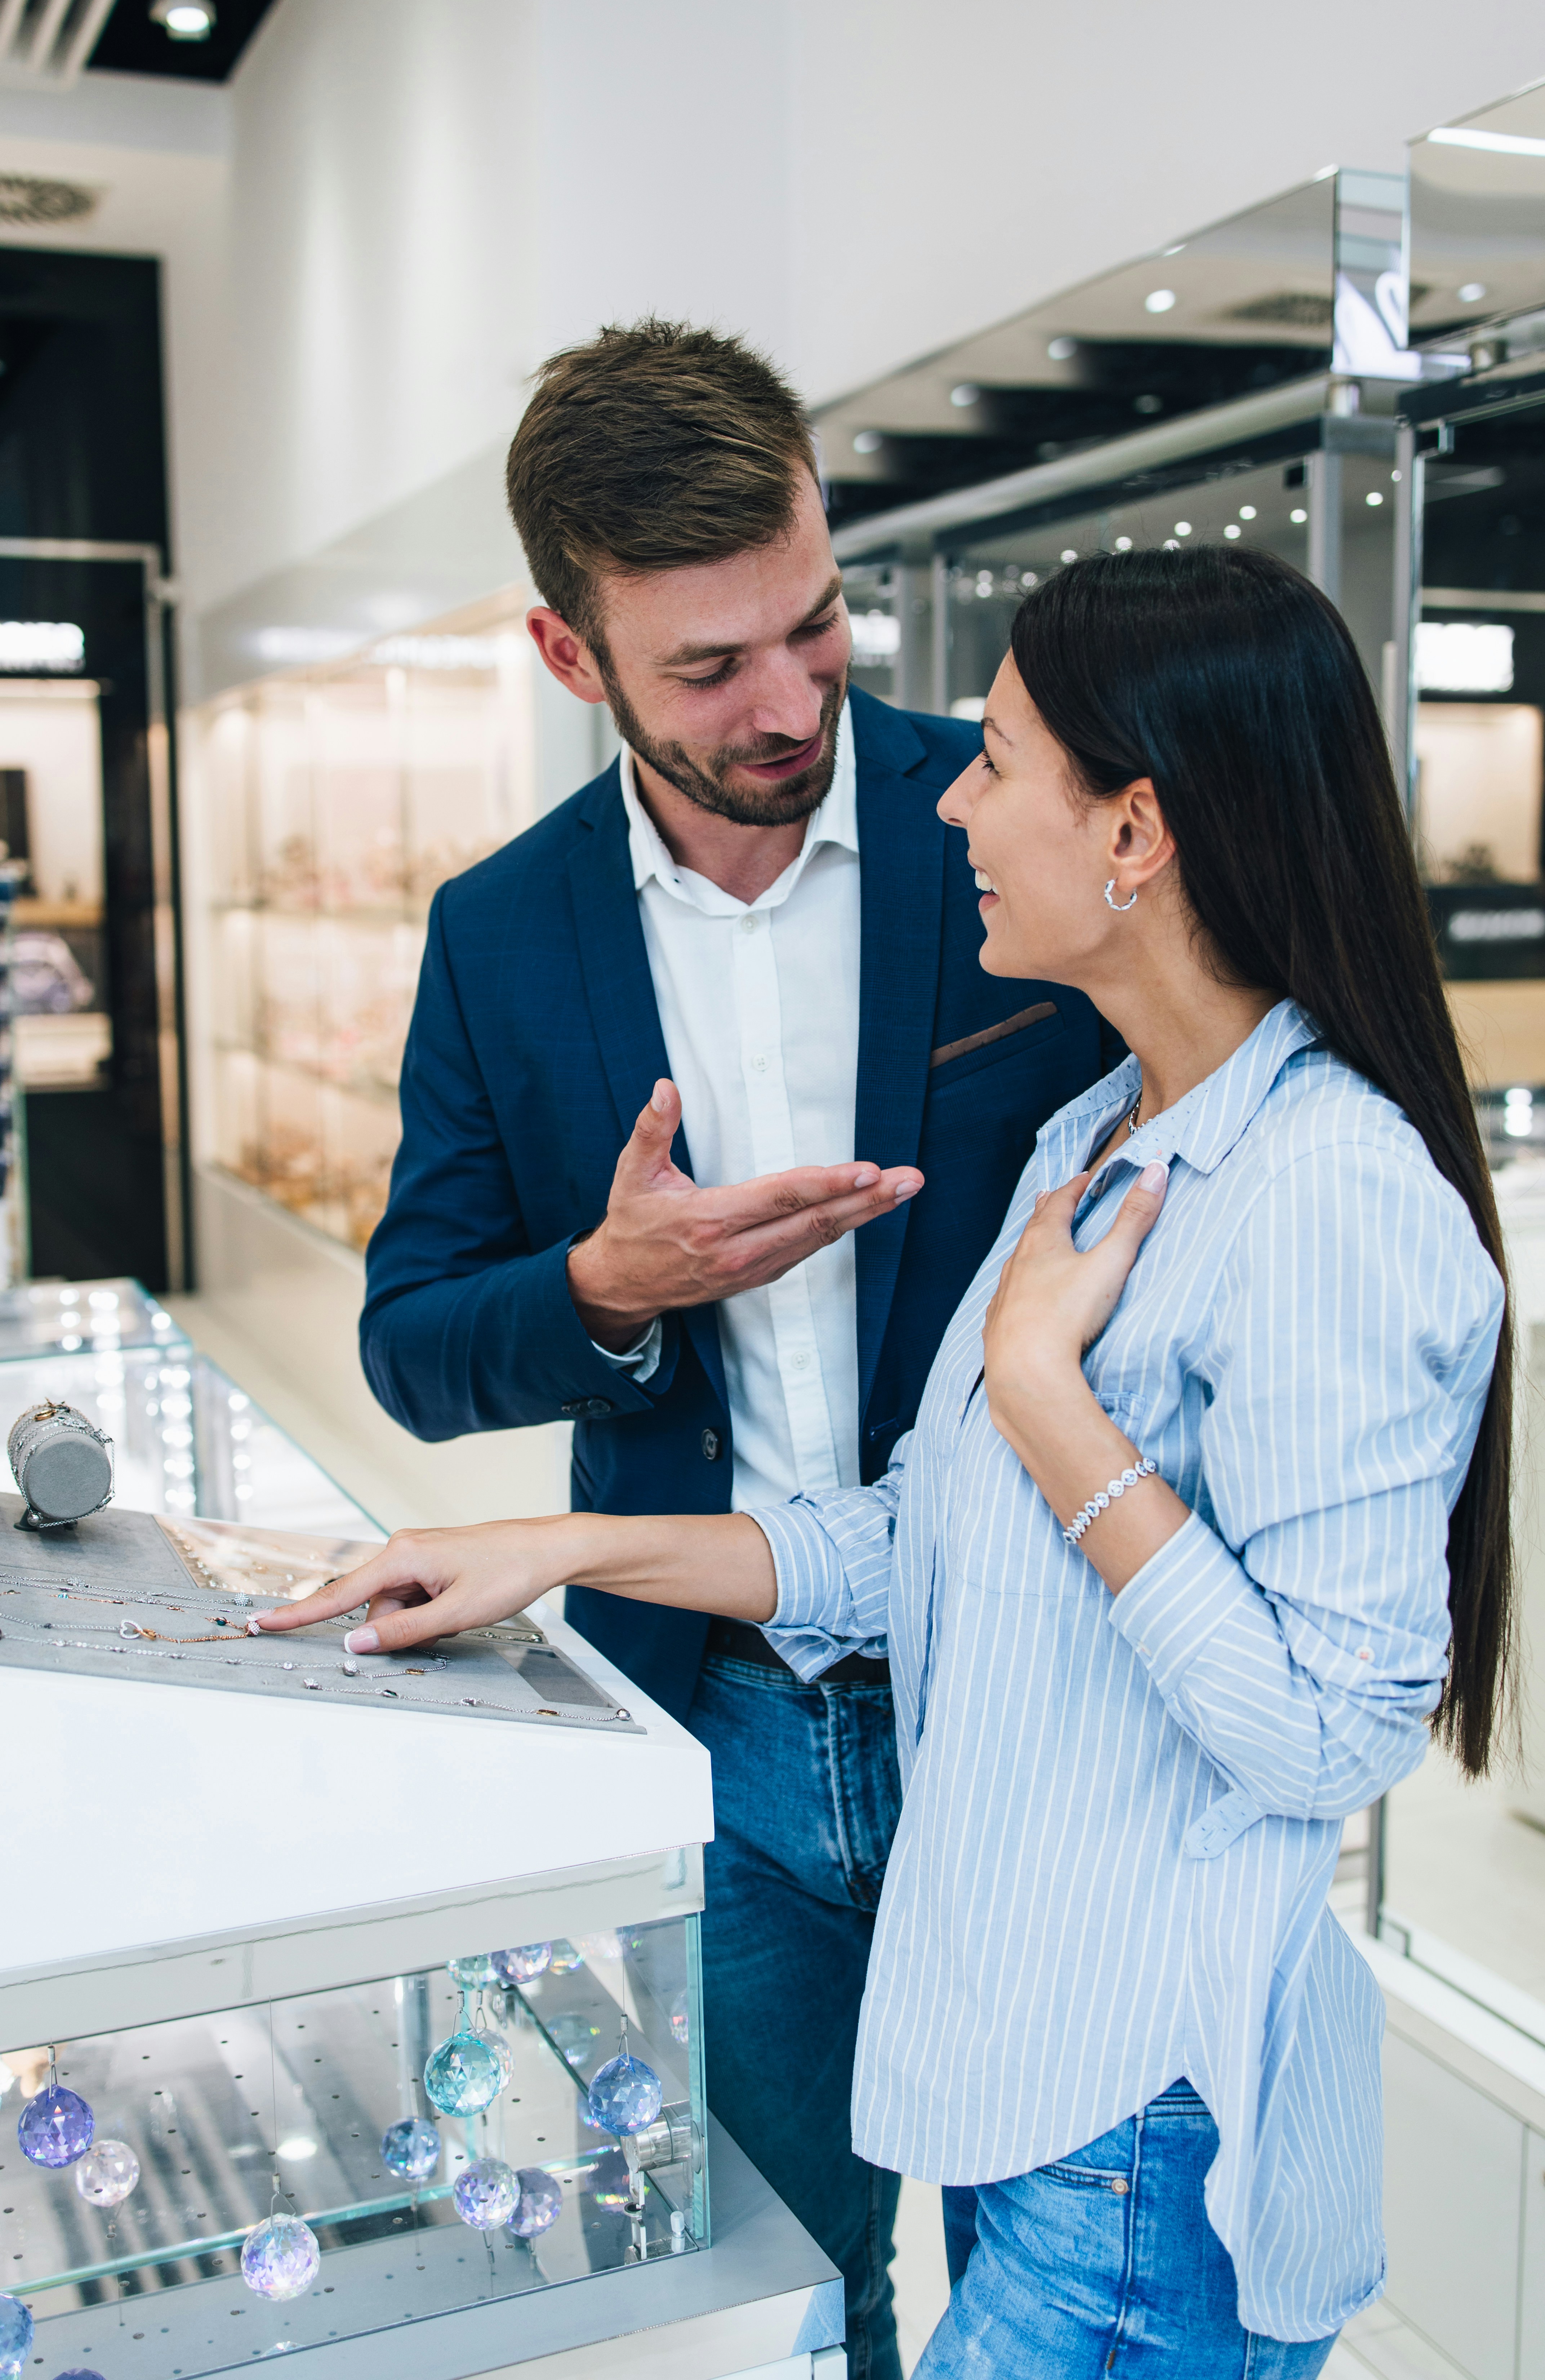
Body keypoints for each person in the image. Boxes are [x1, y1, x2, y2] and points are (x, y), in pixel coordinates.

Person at [267, 543, 1513, 2372]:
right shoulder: (1100, 1130)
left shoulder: (1328, 1197)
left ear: (1137, 836)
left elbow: (1332, 1737)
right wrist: (555, 1547)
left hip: (1141, 2118)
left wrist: (1044, 1397)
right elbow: (912, 1530)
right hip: (1033, 2072)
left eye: (997, 761)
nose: (945, 796)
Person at [353, 319, 1114, 2378]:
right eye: (707, 668)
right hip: (724, 1731)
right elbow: (412, 1345)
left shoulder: (1028, 820)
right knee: (806, 2283)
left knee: (1057, 2285)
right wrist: (607, 1289)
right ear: (567, 654)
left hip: (1036, 1710)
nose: (789, 704)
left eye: (815, 622)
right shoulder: (502, 935)